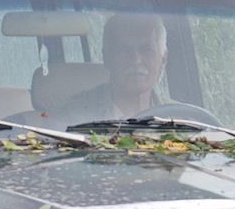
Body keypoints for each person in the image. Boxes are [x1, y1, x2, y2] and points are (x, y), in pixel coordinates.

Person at [60, 12, 219, 126]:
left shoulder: (182, 119)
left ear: (163, 60)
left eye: (146, 50)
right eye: (123, 50)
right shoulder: (73, 118)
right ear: (107, 58)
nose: (135, 60)